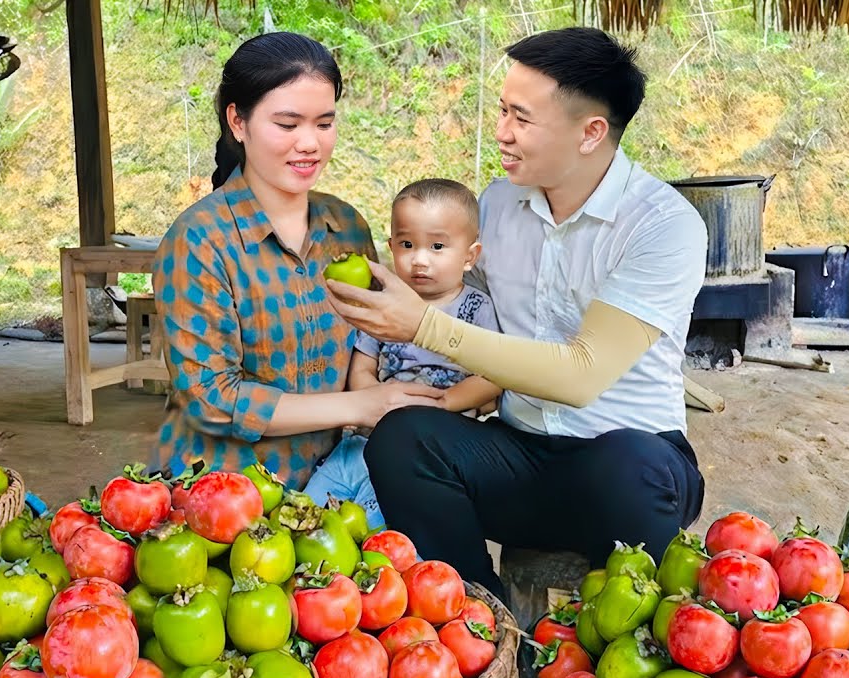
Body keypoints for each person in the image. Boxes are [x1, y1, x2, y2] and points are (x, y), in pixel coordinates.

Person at [324, 26, 708, 600]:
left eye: (521, 119)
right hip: (518, 452)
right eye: (503, 110)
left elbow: (581, 375)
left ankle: (620, 637)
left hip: (627, 473)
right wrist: (385, 297)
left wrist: (421, 324)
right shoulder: (500, 205)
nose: (501, 132)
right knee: (403, 439)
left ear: (591, 132)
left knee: (631, 465)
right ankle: (479, 618)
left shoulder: (662, 225)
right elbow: (455, 299)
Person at [152, 32, 445, 489]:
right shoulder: (199, 240)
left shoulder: (346, 226)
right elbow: (212, 399)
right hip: (220, 496)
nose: (309, 143)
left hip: (337, 488)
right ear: (238, 122)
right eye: (288, 125)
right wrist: (360, 406)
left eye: (324, 124)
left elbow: (371, 346)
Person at [302, 179, 503, 530]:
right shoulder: (382, 302)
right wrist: (372, 401)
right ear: (391, 246)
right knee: (307, 513)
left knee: (373, 529)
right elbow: (362, 366)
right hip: (362, 440)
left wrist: (444, 403)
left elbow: (492, 377)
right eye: (407, 244)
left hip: (423, 454)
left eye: (438, 246)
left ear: (470, 256)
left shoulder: (477, 308)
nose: (420, 259)